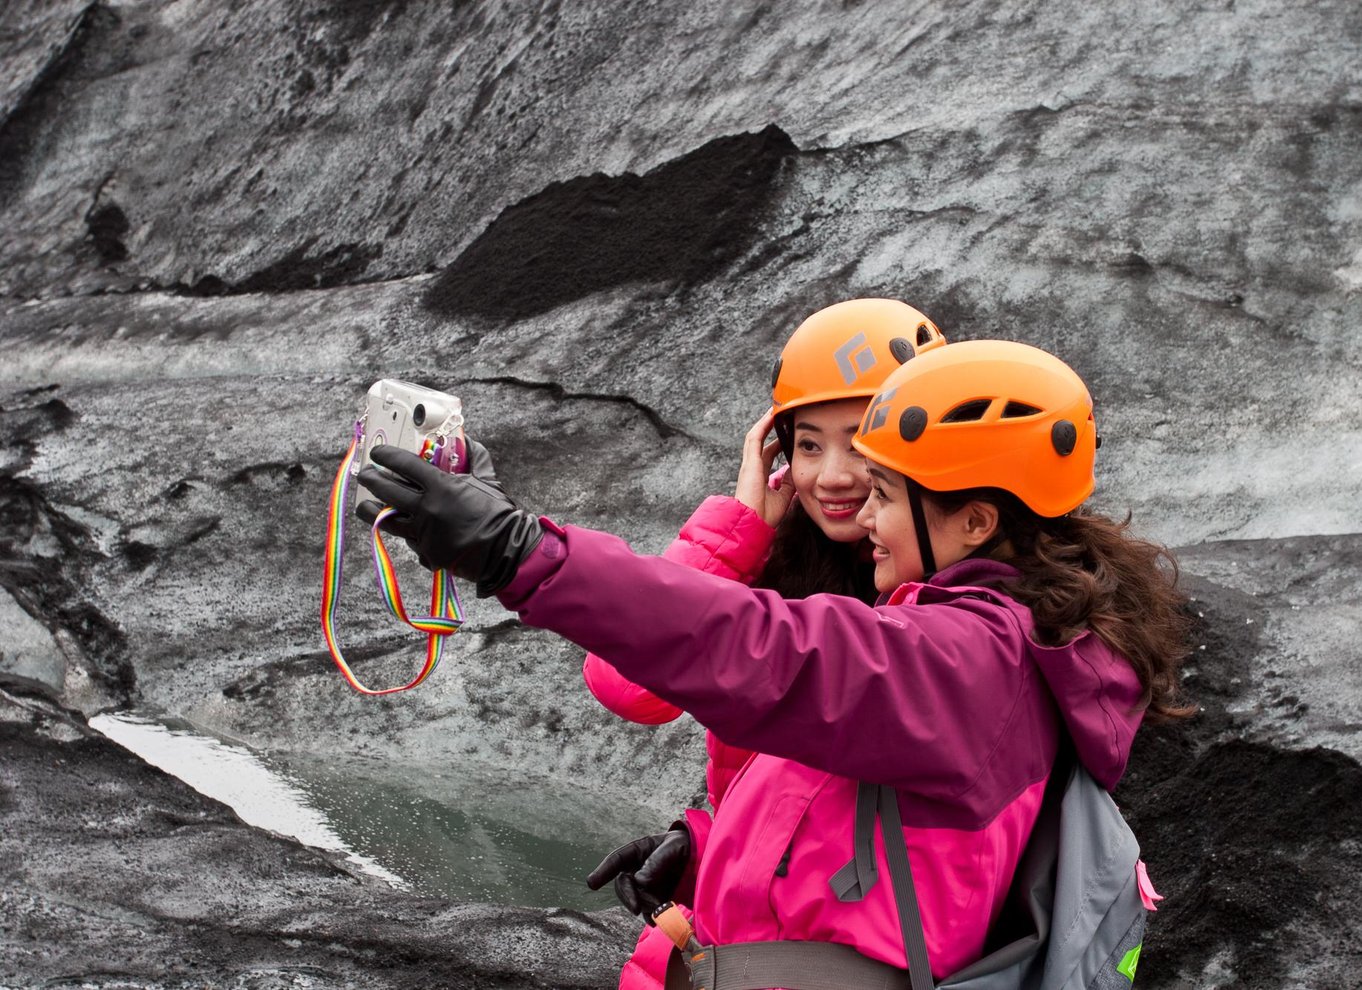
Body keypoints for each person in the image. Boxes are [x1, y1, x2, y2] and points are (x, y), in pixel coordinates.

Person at [354, 338, 1191, 986]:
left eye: (888, 497)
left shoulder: (970, 665)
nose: (863, 513)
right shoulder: (985, 648)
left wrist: (521, 554)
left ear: (974, 523)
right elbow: (861, 824)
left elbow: (766, 653)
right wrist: (710, 845)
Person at [580, 298, 946, 990]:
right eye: (808, 444)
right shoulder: (776, 566)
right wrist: (741, 526)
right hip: (754, 939)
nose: (833, 475)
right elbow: (624, 684)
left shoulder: (942, 607)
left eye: (862, 442)